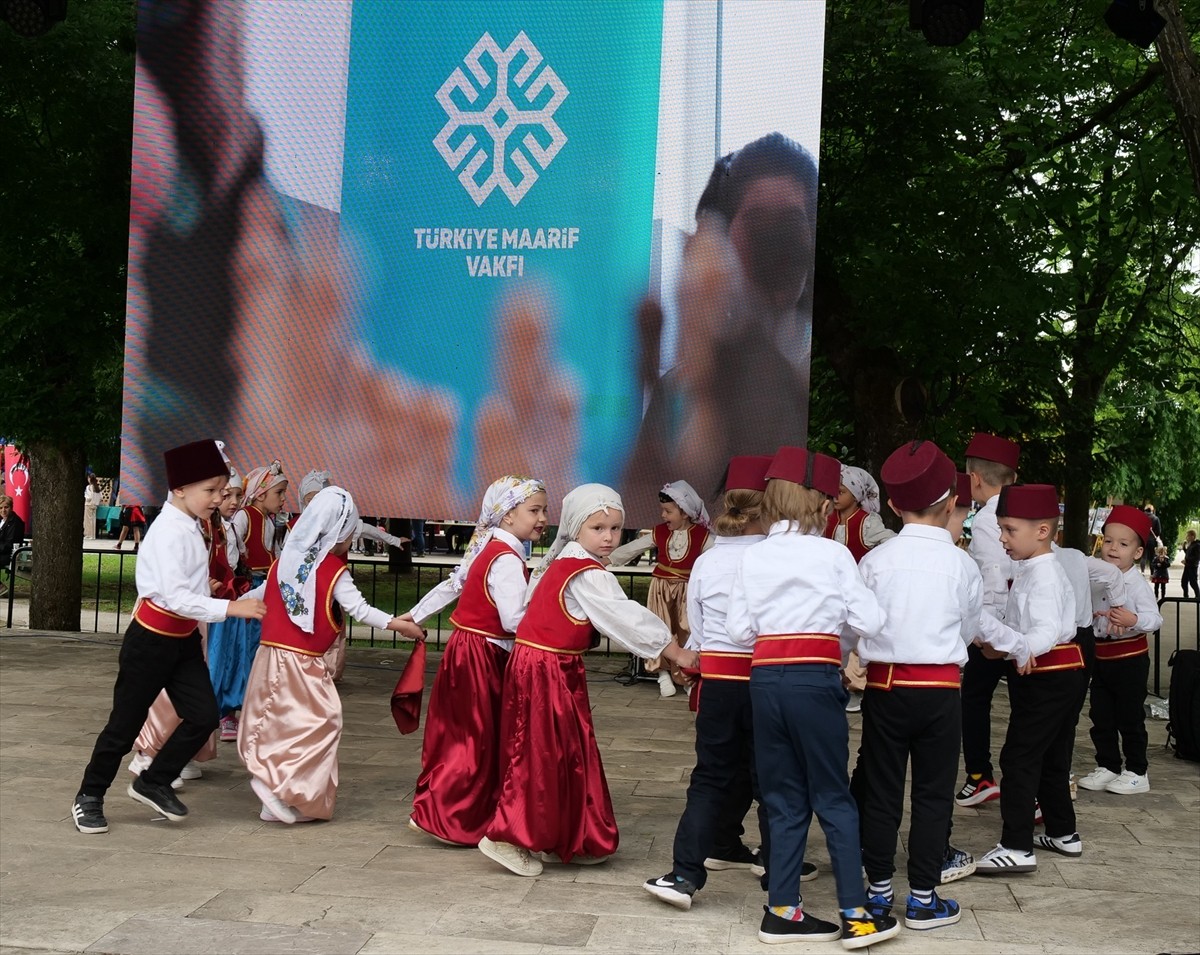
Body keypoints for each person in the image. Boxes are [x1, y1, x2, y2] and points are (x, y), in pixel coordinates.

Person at [478, 484, 698, 878]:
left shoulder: (564, 560)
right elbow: (625, 616)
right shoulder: (582, 571)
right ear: (578, 527)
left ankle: (563, 835)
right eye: (599, 528)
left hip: (550, 666)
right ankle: (507, 836)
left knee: (565, 752)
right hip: (545, 669)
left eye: (616, 528)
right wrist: (676, 652)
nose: (609, 537)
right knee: (542, 753)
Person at [727, 446, 899, 949]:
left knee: (782, 797)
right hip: (813, 680)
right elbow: (871, 622)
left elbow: (739, 631)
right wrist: (834, 634)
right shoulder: (832, 553)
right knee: (833, 797)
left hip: (764, 681)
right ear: (823, 505)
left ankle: (782, 910)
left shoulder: (754, 554)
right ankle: (857, 915)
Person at [70, 440, 267, 834]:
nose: (218, 498)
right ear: (179, 489)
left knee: (203, 716)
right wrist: (231, 608)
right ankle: (88, 796)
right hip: (150, 643)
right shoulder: (167, 531)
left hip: (183, 643)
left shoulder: (191, 524)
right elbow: (175, 597)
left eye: (221, 490)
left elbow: (185, 589)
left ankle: (153, 780)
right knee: (124, 726)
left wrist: (208, 589)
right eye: (210, 491)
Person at [623, 132, 819, 508]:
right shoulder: (682, 389)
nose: (773, 243)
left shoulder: (811, 377)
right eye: (757, 221)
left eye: (789, 223)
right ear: (727, 237)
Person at [644, 455, 793, 910]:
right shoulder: (778, 557)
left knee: (710, 776)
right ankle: (778, 874)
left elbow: (700, 630)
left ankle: (685, 873)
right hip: (768, 679)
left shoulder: (709, 560)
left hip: (721, 680)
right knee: (773, 779)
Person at [238, 486, 425, 823]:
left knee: (287, 725)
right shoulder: (331, 570)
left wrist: (223, 608)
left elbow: (260, 592)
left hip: (271, 656)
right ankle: (275, 783)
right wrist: (401, 626)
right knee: (321, 722)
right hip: (300, 662)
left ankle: (277, 795)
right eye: (350, 532)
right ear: (338, 532)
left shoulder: (286, 560)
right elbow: (360, 609)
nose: (351, 539)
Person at [856, 440, 981, 931]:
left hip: (887, 690)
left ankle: (879, 891)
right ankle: (924, 898)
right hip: (941, 691)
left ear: (890, 504)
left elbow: (862, 623)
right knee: (933, 794)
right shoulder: (963, 565)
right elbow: (969, 631)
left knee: (883, 790)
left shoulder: (875, 562)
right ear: (952, 502)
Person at [402, 476, 549, 846]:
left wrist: (413, 615)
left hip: (470, 650)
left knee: (465, 736)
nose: (544, 517)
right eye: (535, 510)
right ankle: (449, 818)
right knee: (475, 739)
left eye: (544, 510)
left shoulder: (493, 548)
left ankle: (448, 811)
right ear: (508, 515)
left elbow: (454, 584)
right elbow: (513, 619)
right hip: (483, 655)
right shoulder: (504, 558)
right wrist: (551, 613)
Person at [973, 485, 1082, 875]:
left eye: (1009, 530)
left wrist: (1018, 649)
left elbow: (1045, 630)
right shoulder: (1034, 568)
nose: (1002, 538)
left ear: (1042, 531)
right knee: (1052, 757)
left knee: (1019, 758)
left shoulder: (1045, 575)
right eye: (1001, 529)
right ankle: (1063, 831)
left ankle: (1016, 845)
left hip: (1047, 674)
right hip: (1057, 674)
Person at [1076, 505, 1163, 796]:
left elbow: (1155, 619)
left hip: (1130, 660)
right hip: (1101, 659)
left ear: (1137, 553)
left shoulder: (1137, 585)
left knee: (1129, 717)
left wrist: (1133, 619)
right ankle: (1108, 765)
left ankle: (1137, 770)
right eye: (1108, 541)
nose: (1113, 549)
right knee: (1101, 716)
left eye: (1123, 544)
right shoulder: (1096, 577)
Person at [956, 432, 1020, 810]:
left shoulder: (984, 519)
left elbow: (995, 578)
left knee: (974, 698)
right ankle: (1033, 785)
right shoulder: (1026, 510)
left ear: (974, 479)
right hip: (1027, 623)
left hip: (1000, 628)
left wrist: (989, 634)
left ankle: (980, 775)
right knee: (1025, 705)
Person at [608, 481, 711, 698]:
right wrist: (608, 558)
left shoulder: (702, 536)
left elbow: (721, 552)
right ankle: (662, 672)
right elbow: (634, 548)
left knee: (687, 629)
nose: (663, 516)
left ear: (684, 512)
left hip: (686, 590)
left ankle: (686, 675)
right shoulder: (660, 533)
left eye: (668, 511)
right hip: (661, 588)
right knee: (660, 628)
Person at [211, 461, 288, 741]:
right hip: (232, 595)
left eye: (235, 495)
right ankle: (223, 710)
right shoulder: (244, 518)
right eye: (278, 493)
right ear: (260, 493)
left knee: (249, 651)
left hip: (251, 590)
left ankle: (240, 706)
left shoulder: (264, 522)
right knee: (226, 654)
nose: (232, 501)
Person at [823, 465, 895, 713]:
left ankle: (856, 687)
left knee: (856, 635)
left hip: (857, 588)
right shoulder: (826, 518)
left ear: (856, 494)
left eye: (841, 492)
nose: (835, 497)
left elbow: (890, 541)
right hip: (831, 589)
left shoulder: (868, 522)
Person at [0, 494, 26, 596]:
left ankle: (1, 588)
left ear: (11, 507)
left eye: (6, 507)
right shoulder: (2, 520)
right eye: (1, 508)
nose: (3, 510)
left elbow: (9, 544)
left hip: (10, 554)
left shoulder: (15, 522)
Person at [1138, 504, 1163, 573]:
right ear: (1152, 510)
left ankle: (1142, 572)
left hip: (1143, 539)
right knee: (1152, 557)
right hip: (1152, 540)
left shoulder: (1141, 517)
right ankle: (1152, 572)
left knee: (1143, 556)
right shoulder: (1155, 518)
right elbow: (1158, 531)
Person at [1182, 530, 1200, 600]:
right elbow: (1188, 553)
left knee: (1193, 582)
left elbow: (1197, 557)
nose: (1187, 537)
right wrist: (1184, 547)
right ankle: (1185, 596)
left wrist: (1187, 560)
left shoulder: (1197, 545)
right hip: (1187, 566)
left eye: (1188, 536)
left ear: (1193, 536)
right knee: (1184, 582)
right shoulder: (1191, 544)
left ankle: (1198, 596)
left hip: (1192, 566)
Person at [84, 474, 103, 540]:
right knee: (93, 520)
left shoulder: (89, 487)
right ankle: (93, 535)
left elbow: (88, 497)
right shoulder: (97, 487)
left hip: (88, 504)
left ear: (89, 479)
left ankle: (88, 535)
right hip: (95, 505)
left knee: (88, 520)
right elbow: (101, 497)